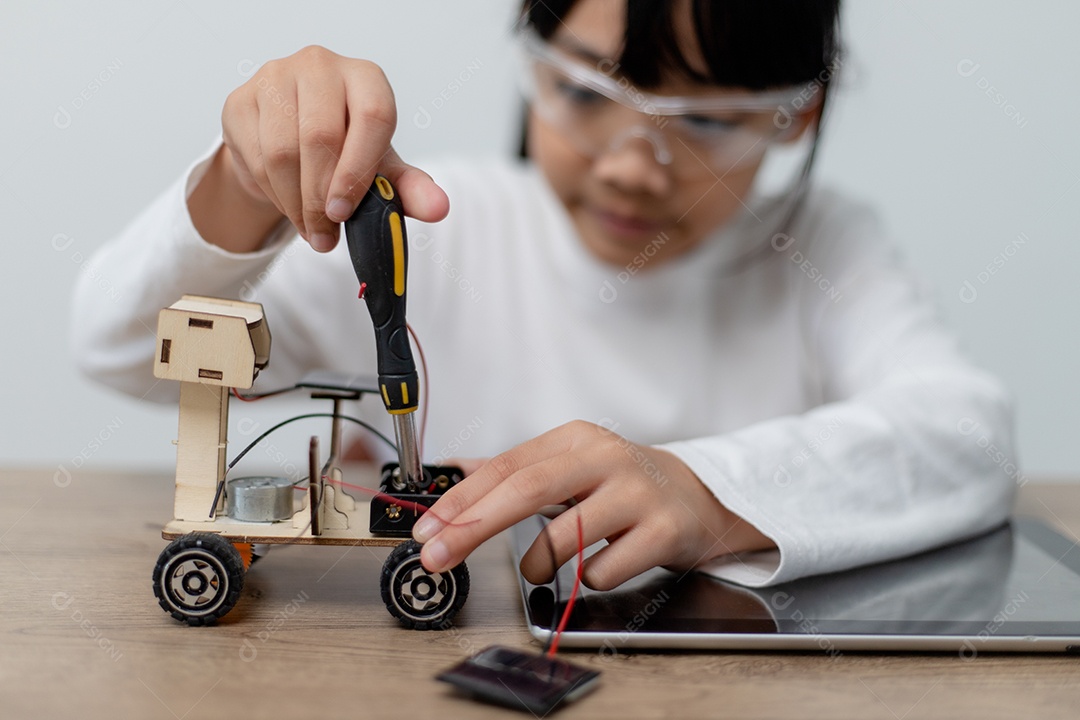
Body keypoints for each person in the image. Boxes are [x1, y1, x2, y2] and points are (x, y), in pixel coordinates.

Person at [72, 0, 1016, 592]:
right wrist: (243, 181)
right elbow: (120, 351)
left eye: (702, 121)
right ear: (532, 59)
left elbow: (967, 434)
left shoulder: (823, 248)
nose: (632, 167)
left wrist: (705, 488)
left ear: (795, 114)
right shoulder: (437, 226)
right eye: (587, 95)